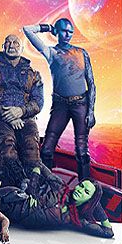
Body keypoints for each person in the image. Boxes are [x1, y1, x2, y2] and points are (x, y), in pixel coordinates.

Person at [23, 18, 96, 180]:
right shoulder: (51, 52)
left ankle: (85, 185)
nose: (68, 35)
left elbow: (91, 83)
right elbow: (27, 29)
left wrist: (91, 111)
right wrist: (48, 28)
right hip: (60, 105)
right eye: (64, 31)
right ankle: (46, 184)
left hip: (81, 104)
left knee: (82, 151)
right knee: (47, 149)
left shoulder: (82, 53)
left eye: (70, 32)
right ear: (57, 32)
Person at [0, 34, 44, 183]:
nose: (11, 45)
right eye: (8, 42)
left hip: (26, 118)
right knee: (8, 149)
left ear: (22, 48)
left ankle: (34, 185)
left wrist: (21, 111)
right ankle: (19, 184)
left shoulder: (33, 74)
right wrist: (8, 115)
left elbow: (38, 102)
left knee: (32, 149)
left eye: (16, 43)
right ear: (3, 46)